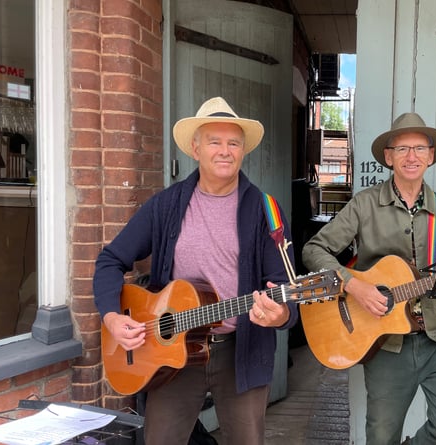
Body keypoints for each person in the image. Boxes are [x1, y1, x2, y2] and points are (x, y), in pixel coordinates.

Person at [93, 96, 298, 445]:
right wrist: (112, 316)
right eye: (214, 141)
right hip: (171, 355)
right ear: (195, 148)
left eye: (233, 142)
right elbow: (110, 260)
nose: (225, 150)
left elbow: (286, 290)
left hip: (242, 352)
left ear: (243, 150)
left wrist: (279, 315)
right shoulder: (166, 205)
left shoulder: (267, 210)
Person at [302, 112, 436, 445]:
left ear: (431, 155)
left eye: (420, 148)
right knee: (381, 437)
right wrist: (354, 284)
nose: (412, 156)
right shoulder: (365, 205)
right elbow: (315, 249)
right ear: (388, 156)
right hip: (386, 343)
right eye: (402, 148)